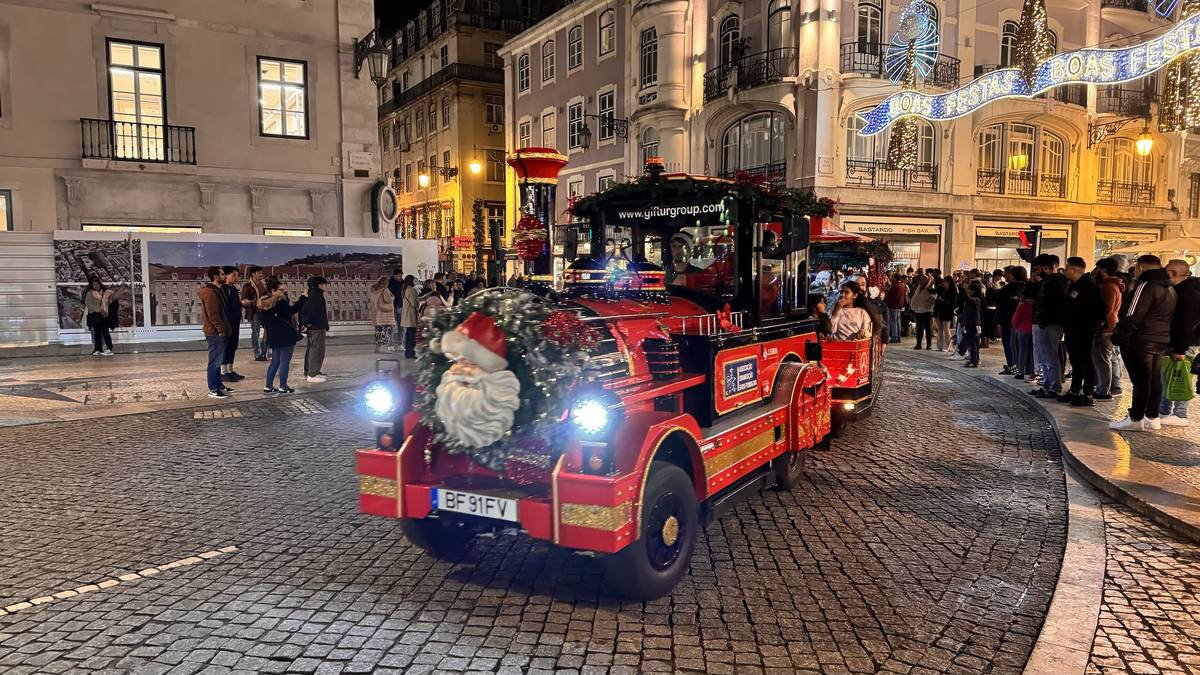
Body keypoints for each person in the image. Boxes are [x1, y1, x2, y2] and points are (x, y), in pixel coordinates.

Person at [1110, 255, 1177, 431]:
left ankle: (1135, 418)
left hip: (1140, 340)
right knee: (1153, 379)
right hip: (1159, 339)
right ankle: (1152, 416)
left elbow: (1133, 315)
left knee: (1140, 380)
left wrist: (1121, 337)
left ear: (1140, 267)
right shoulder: (1170, 289)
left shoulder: (1146, 286)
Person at [1160, 259, 1200, 426]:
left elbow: (1187, 323)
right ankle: (1164, 410)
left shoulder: (1188, 293)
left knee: (1181, 377)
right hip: (1175, 342)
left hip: (1183, 343)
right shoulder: (1180, 289)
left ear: (1173, 273)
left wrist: (1180, 349)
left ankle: (1180, 413)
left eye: (1166, 270)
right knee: (1168, 377)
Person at [1060, 257, 1104, 406]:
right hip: (1073, 330)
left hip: (1084, 331)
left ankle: (1088, 393)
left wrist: (1090, 328)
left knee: (1085, 361)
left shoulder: (1089, 286)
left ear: (1074, 269)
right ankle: (1074, 391)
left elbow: (1099, 311)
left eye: (1067, 268)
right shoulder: (1074, 285)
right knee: (1076, 362)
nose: (1065, 271)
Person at [1031, 255, 1069, 399]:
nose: (1035, 271)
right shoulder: (1048, 281)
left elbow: (1057, 304)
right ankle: (1047, 385)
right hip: (1046, 322)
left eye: (1037, 268)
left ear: (1046, 267)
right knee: (1045, 356)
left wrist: (1046, 318)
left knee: (1050, 356)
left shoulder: (1056, 281)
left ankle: (1054, 386)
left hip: (1051, 323)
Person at [259, 277, 301, 394]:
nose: (284, 292)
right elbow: (291, 311)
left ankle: (268, 386)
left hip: (274, 335)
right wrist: (303, 298)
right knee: (284, 362)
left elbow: (263, 322)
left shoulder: (264, 304)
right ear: (273, 291)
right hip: (285, 335)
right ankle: (283, 386)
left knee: (275, 362)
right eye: (281, 290)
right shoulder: (280, 301)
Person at [1092, 257, 1125, 401]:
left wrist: (1099, 326)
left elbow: (1106, 309)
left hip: (1105, 329)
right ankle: (1102, 387)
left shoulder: (1108, 287)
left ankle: (1103, 390)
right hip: (1107, 327)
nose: (1094, 271)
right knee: (1103, 359)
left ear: (1103, 270)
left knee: (1103, 360)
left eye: (1097, 268)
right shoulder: (1110, 285)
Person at [198, 266, 231, 398]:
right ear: (216, 277)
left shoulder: (217, 290)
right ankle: (213, 388)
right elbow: (213, 315)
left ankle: (218, 384)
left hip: (218, 331)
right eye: (223, 274)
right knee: (215, 360)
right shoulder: (211, 293)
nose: (225, 276)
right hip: (215, 332)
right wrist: (221, 330)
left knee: (218, 359)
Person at [299, 275, 330, 384]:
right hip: (316, 327)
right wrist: (309, 324)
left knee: (314, 350)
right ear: (319, 285)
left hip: (316, 326)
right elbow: (313, 312)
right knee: (316, 350)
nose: (326, 286)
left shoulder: (314, 295)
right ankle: (312, 374)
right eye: (325, 284)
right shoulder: (315, 296)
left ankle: (312, 371)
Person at [995, 266, 1025, 373]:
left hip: (1008, 321)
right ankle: (1017, 366)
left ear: (1013, 275)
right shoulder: (1026, 287)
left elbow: (1000, 305)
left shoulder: (1007, 289)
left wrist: (998, 321)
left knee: (1009, 343)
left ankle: (1012, 365)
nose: (1005, 276)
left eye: (1007, 274)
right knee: (1018, 344)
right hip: (1022, 322)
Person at [220, 266, 246, 382]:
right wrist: (240, 303)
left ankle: (230, 370)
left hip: (235, 322)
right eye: (233, 275)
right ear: (226, 276)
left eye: (237, 275)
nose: (236, 277)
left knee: (233, 346)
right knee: (226, 346)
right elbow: (225, 307)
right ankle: (223, 371)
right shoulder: (224, 289)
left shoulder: (233, 289)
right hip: (228, 322)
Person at [242, 266, 268, 361]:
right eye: (259, 272)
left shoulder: (263, 284)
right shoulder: (248, 286)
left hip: (265, 311)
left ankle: (264, 351)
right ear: (253, 274)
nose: (261, 274)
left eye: (261, 272)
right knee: (255, 332)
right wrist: (256, 302)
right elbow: (244, 301)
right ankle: (257, 353)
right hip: (254, 312)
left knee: (267, 330)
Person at [84, 277, 115, 356]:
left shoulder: (104, 292)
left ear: (100, 284)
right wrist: (99, 310)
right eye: (94, 285)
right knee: (97, 333)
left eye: (97, 284)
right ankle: (98, 349)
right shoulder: (89, 293)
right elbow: (89, 304)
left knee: (105, 332)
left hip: (104, 315)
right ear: (91, 286)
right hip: (95, 315)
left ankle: (109, 348)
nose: (96, 286)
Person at [1012, 285, 1036, 381]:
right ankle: (1033, 372)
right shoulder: (1037, 305)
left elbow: (1015, 320)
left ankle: (1021, 372)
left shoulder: (1022, 305)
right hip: (1035, 329)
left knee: (1022, 352)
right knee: (1033, 352)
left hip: (1023, 330)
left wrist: (1017, 328)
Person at [908, 274, 936, 350]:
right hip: (918, 310)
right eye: (920, 279)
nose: (920, 281)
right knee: (919, 328)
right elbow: (915, 297)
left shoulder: (930, 287)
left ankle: (929, 344)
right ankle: (918, 344)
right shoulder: (919, 287)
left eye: (922, 280)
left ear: (926, 280)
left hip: (927, 311)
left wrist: (929, 304)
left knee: (928, 328)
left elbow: (934, 298)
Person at [960, 281, 982, 367]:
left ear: (973, 291)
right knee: (971, 342)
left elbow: (967, 298)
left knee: (974, 343)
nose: (968, 291)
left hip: (975, 324)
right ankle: (973, 359)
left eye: (969, 290)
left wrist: (963, 289)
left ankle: (974, 360)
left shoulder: (977, 299)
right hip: (969, 323)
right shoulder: (973, 300)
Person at [369, 275, 394, 353]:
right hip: (385, 315)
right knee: (386, 331)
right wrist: (393, 297)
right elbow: (388, 300)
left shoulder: (375, 290)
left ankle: (378, 349)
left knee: (379, 332)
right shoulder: (385, 290)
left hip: (378, 314)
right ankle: (383, 349)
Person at [934, 276, 957, 352]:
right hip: (940, 310)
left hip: (947, 310)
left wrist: (943, 300)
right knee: (940, 329)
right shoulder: (941, 289)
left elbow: (952, 301)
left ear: (949, 282)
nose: (943, 283)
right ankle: (940, 345)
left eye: (944, 281)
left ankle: (948, 346)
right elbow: (933, 291)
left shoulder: (953, 290)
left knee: (946, 328)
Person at [883, 274, 907, 343]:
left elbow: (890, 296)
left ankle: (894, 337)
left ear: (895, 278)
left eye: (892, 277)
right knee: (898, 322)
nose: (891, 278)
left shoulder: (896, 286)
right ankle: (898, 336)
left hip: (893, 306)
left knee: (893, 322)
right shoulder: (902, 285)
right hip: (899, 306)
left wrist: (886, 292)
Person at [399, 274, 419, 359]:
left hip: (407, 314)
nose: (415, 282)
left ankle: (408, 353)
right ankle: (411, 353)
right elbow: (414, 303)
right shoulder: (411, 290)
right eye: (414, 281)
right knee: (412, 335)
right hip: (411, 315)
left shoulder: (405, 289)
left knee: (408, 335)